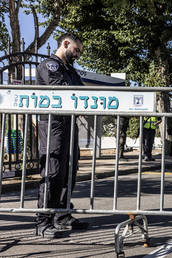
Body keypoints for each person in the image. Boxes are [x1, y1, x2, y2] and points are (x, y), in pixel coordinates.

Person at [35, 33, 88, 239]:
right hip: (53, 123)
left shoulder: (70, 70)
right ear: (65, 44)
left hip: (69, 123)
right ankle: (43, 220)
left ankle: (62, 214)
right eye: (76, 50)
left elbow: (82, 92)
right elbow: (61, 90)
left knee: (69, 169)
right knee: (53, 170)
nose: (78, 55)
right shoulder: (50, 66)